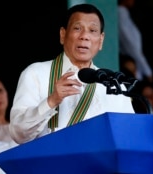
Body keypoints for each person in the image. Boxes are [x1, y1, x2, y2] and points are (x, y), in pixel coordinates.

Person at [9, 3, 135, 145]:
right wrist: (51, 101)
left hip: (97, 166)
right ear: (63, 35)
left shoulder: (114, 86)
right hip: (50, 165)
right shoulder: (35, 73)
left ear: (101, 40)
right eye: (77, 28)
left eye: (92, 30)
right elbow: (18, 134)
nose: (84, 36)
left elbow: (128, 138)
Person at [118, 0, 153, 82]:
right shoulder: (121, 13)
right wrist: (148, 72)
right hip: (132, 64)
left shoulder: (125, 13)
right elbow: (131, 44)